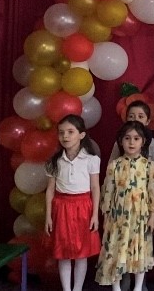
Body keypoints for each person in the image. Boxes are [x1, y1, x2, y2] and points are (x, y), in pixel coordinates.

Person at [96, 121, 154, 291]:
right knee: (116, 249)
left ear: (143, 141)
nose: (131, 142)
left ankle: (138, 287)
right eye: (127, 138)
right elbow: (107, 191)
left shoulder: (149, 166)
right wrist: (106, 215)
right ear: (121, 141)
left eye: (136, 138)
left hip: (140, 217)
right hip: (118, 217)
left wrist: (152, 217)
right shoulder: (114, 165)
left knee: (140, 250)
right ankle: (116, 286)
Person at [109, 101, 154, 291]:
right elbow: (110, 177)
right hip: (121, 208)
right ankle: (123, 279)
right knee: (121, 244)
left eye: (141, 116)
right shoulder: (120, 144)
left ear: (148, 120)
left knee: (141, 245)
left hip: (143, 207)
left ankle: (141, 283)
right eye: (132, 116)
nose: (136, 119)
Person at [44, 115, 101, 291]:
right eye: (61, 133)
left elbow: (95, 187)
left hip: (83, 207)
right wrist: (48, 216)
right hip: (61, 208)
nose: (65, 136)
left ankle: (77, 289)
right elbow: (50, 190)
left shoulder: (91, 159)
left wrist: (95, 215)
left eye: (70, 132)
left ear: (81, 135)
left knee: (81, 254)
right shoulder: (54, 161)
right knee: (63, 254)